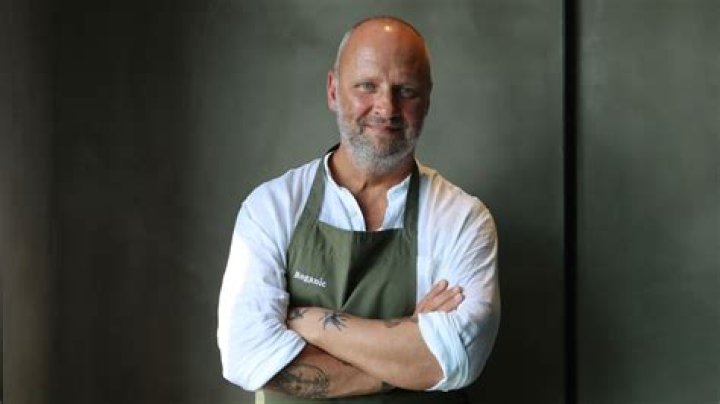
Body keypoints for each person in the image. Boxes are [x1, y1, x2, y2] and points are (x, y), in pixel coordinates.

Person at [217, 16, 500, 403]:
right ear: (333, 91)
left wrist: (309, 321)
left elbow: (457, 358)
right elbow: (245, 356)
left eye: (406, 90)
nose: (387, 107)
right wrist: (407, 357)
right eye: (367, 86)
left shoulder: (463, 219)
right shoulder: (270, 208)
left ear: (427, 100)